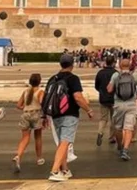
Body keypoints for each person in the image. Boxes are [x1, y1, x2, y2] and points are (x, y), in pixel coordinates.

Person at [44, 54, 94, 182]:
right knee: (65, 141)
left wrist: (44, 115)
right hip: (69, 114)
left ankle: (64, 169)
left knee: (62, 142)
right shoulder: (73, 78)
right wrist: (88, 109)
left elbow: (46, 98)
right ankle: (55, 170)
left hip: (55, 114)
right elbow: (77, 97)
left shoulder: (52, 79)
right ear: (72, 64)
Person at [107, 58, 137, 161]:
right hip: (131, 104)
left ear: (120, 66)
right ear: (130, 66)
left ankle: (120, 145)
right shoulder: (135, 75)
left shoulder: (116, 75)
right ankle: (125, 149)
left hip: (119, 104)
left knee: (118, 127)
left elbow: (109, 89)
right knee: (129, 128)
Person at [13, 73, 45, 172]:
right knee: (38, 137)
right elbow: (42, 103)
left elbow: (18, 105)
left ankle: (18, 155)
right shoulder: (40, 92)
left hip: (25, 114)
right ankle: (39, 158)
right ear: (39, 81)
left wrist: (26, 108)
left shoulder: (26, 91)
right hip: (36, 114)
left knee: (25, 138)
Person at [94, 56, 117, 146]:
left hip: (103, 98)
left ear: (105, 62)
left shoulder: (100, 73)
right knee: (113, 119)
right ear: (113, 63)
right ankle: (112, 137)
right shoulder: (116, 73)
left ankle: (100, 132)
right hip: (114, 99)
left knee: (103, 118)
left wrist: (101, 92)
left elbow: (96, 86)